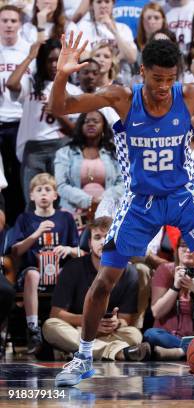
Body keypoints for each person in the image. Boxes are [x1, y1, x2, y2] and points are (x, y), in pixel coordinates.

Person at [50, 28, 194, 387]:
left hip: (184, 196)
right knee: (103, 282)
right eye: (157, 78)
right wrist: (63, 75)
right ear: (142, 72)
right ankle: (82, 357)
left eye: (170, 79)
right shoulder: (122, 98)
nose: (163, 86)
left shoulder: (187, 95)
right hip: (139, 203)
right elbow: (60, 107)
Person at [42, 216, 149, 361]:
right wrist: (91, 322)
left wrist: (116, 323)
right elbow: (56, 314)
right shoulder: (73, 267)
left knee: (134, 334)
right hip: (78, 329)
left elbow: (125, 319)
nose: (103, 242)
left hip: (109, 333)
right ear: (89, 243)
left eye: (108, 236)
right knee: (50, 326)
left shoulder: (129, 272)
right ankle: (117, 352)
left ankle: (76, 351)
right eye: (97, 237)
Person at [11, 173, 79, 355]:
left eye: (48, 189)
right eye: (38, 190)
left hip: (59, 274)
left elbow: (81, 251)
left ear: (55, 195)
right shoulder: (25, 219)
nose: (43, 193)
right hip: (32, 275)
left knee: (73, 272)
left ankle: (73, 329)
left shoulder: (66, 218)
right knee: (32, 274)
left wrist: (68, 249)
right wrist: (36, 233)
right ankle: (33, 329)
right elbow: (15, 251)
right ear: (31, 195)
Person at [7, 38, 82, 203]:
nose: (55, 64)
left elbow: (77, 132)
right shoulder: (31, 84)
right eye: (50, 60)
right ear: (42, 62)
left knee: (59, 201)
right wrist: (30, 57)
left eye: (59, 60)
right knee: (33, 202)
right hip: (33, 149)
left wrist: (59, 115)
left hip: (61, 146)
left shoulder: (73, 90)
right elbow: (11, 84)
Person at [144, 236, 194, 360]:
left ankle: (180, 352)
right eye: (184, 245)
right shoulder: (164, 270)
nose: (188, 250)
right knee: (151, 334)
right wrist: (175, 287)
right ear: (177, 249)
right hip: (167, 336)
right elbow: (157, 312)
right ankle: (190, 351)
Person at [54, 111, 122, 217]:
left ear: (104, 126)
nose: (91, 124)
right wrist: (89, 201)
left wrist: (102, 201)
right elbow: (61, 185)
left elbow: (123, 183)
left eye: (95, 121)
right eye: (86, 122)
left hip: (108, 211)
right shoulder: (64, 153)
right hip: (72, 212)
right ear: (80, 126)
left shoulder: (115, 152)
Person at [0, 5, 30, 223]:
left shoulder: (29, 51)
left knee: (19, 175)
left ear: (20, 24)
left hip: (21, 120)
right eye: (4, 20)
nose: (9, 25)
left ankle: (19, 220)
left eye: (13, 21)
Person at [76, 0, 137, 66]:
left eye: (107, 2)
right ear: (91, 5)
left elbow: (132, 58)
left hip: (119, 75)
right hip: (93, 73)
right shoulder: (82, 27)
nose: (103, 6)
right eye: (99, 2)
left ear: (113, 4)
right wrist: (113, 60)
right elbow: (82, 56)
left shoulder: (123, 28)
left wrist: (114, 31)